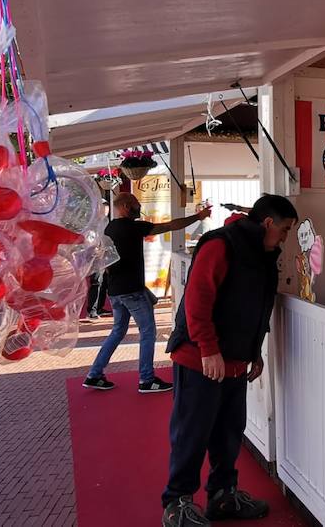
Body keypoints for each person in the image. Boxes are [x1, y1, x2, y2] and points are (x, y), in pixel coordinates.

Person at [161, 195, 298, 527]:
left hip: (235, 362)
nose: (285, 237)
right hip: (200, 359)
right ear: (268, 222)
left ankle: (222, 495)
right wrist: (208, 349)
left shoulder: (263, 254)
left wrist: (255, 352)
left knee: (229, 433)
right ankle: (177, 503)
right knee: (192, 432)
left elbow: (257, 306)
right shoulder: (220, 244)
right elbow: (197, 300)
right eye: (284, 229)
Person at [83, 193, 211, 393]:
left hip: (115, 291)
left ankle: (94, 374)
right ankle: (146, 379)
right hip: (132, 290)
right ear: (126, 206)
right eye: (136, 204)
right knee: (148, 332)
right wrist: (198, 217)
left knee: (117, 331)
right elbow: (170, 225)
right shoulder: (134, 227)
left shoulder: (110, 228)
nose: (139, 207)